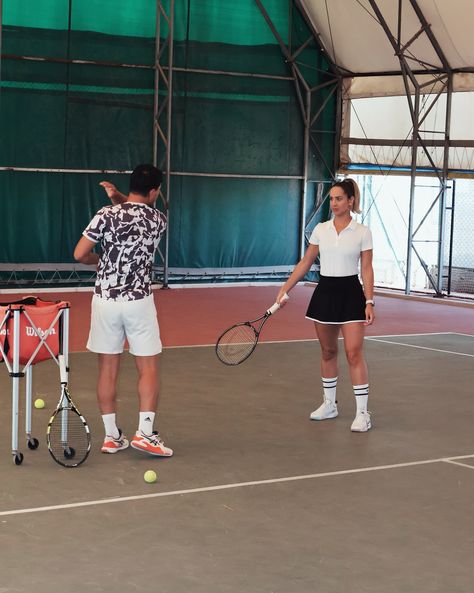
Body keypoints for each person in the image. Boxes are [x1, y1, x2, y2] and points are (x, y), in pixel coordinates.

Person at [74, 164, 173, 456]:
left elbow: (80, 254)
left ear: (129, 186)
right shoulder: (159, 219)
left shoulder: (106, 214)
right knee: (148, 366)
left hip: (105, 300)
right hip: (139, 301)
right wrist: (120, 198)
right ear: (154, 191)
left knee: (107, 368)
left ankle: (111, 437)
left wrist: (100, 261)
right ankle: (144, 433)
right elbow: (135, 215)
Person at [276, 178, 375, 432]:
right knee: (328, 352)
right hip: (326, 293)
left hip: (352, 294)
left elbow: (366, 268)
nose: (333, 203)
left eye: (339, 198)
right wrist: (285, 288)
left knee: (354, 352)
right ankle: (329, 404)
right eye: (331, 199)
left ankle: (363, 413)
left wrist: (369, 300)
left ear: (350, 200)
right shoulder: (321, 229)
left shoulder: (363, 232)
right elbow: (306, 262)